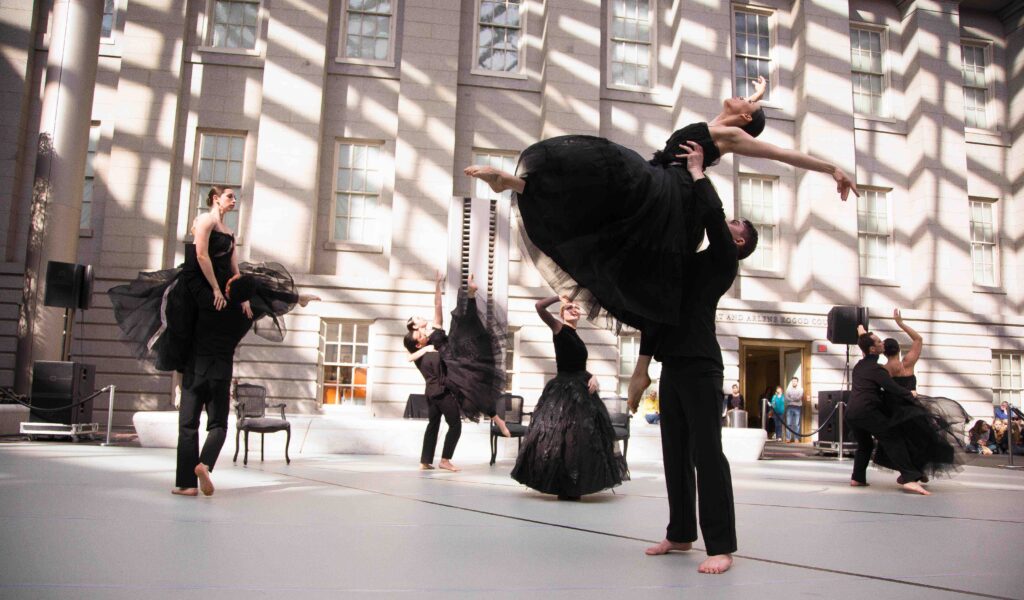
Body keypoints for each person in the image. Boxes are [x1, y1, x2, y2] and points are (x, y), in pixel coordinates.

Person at [464, 76, 856, 331]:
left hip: (670, 191)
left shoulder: (731, 137)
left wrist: (831, 168)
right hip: (663, 179)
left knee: (609, 166)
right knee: (605, 193)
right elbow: (741, 115)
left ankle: (515, 182)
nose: (740, 96)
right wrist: (757, 97)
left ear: (743, 120)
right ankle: (515, 183)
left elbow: (778, 152)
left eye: (745, 102)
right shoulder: (722, 123)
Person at [625, 140, 752, 574]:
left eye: (737, 227)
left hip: (701, 366)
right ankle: (680, 533)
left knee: (706, 454)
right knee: (674, 453)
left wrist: (700, 173)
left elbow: (714, 223)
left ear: (738, 244)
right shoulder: (685, 265)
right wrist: (641, 369)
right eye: (732, 222)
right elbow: (656, 317)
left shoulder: (722, 263)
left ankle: (721, 545)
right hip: (673, 367)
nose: (728, 224)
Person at [175, 272, 317, 496]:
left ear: (228, 287)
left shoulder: (209, 301)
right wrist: (296, 299)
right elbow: (268, 297)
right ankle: (205, 464)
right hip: (221, 374)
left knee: (188, 426)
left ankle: (186, 484)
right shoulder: (247, 314)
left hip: (196, 371)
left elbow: (192, 279)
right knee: (218, 426)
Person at [510, 296, 628, 500]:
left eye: (576, 307)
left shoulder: (577, 335)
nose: (574, 310)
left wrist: (593, 376)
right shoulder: (559, 328)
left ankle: (577, 483)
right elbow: (539, 306)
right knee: (563, 437)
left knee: (583, 438)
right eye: (569, 308)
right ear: (561, 314)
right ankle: (564, 485)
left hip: (582, 390)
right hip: (563, 391)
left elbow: (578, 365)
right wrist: (558, 297)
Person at [405, 272, 510, 471]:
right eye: (417, 321)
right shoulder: (421, 347)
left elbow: (437, 306)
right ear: (414, 330)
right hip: (450, 367)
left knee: (436, 421)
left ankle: (425, 460)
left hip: (452, 359)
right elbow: (410, 356)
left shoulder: (433, 330)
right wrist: (427, 349)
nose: (421, 320)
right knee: (469, 395)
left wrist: (437, 284)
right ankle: (444, 459)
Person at [847, 330, 966, 494]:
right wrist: (911, 395)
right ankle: (909, 478)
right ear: (873, 349)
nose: (883, 343)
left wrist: (861, 330)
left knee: (865, 445)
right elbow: (893, 388)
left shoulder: (860, 366)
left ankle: (857, 478)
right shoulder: (877, 370)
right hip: (867, 412)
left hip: (852, 413)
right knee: (893, 438)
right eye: (879, 342)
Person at [881, 309, 924, 397]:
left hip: (891, 408)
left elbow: (866, 357)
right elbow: (918, 340)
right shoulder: (908, 363)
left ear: (883, 353)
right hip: (911, 407)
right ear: (899, 349)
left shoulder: (882, 369)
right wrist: (900, 323)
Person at [783, 377, 803, 443]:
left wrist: (792, 398)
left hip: (797, 407)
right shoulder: (788, 389)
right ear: (792, 382)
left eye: (795, 381)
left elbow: (799, 397)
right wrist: (793, 399)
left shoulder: (800, 389)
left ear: (797, 382)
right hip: (789, 406)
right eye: (793, 381)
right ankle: (788, 438)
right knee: (788, 423)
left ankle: (796, 438)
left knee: (796, 424)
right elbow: (786, 397)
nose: (794, 382)